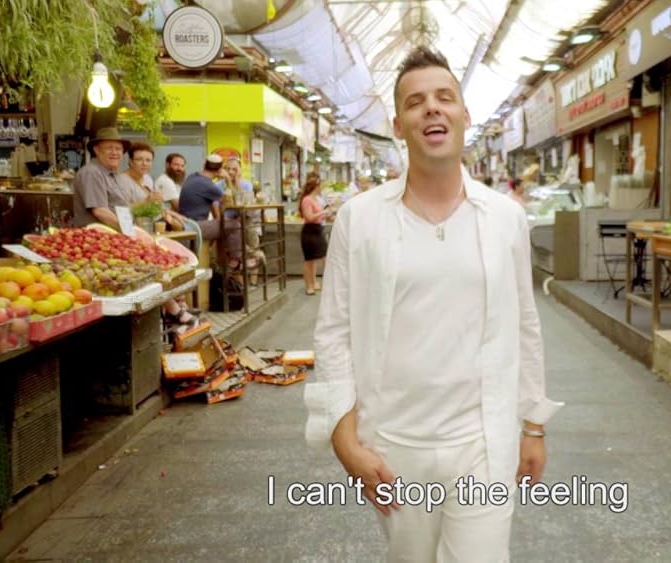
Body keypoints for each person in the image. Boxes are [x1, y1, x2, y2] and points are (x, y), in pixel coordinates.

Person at [304, 46, 562, 561]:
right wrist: (345, 440)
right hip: (394, 443)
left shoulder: (504, 218)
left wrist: (533, 425)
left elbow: (525, 326)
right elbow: (334, 331)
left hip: (484, 442)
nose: (432, 109)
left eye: (445, 97)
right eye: (415, 102)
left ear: (465, 114)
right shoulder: (361, 218)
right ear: (398, 126)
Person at [178, 155, 244, 270]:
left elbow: (213, 203)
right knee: (235, 225)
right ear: (220, 170)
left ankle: (220, 264)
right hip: (195, 226)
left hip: (184, 222)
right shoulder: (209, 185)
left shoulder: (192, 177)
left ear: (204, 165)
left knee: (224, 225)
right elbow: (233, 200)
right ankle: (236, 261)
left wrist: (219, 218)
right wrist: (228, 179)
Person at [72, 127, 133, 228]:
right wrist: (129, 230)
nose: (114, 152)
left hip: (114, 233)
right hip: (97, 236)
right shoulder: (92, 172)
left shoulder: (113, 174)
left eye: (118, 149)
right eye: (109, 148)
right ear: (96, 150)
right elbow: (100, 211)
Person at [298, 172, 330, 295]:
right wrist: (323, 213)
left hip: (318, 230)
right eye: (320, 185)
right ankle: (309, 286)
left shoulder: (317, 199)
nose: (321, 188)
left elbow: (319, 214)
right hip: (310, 232)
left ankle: (314, 282)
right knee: (309, 260)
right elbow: (309, 217)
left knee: (319, 258)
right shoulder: (307, 200)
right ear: (316, 186)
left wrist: (326, 213)